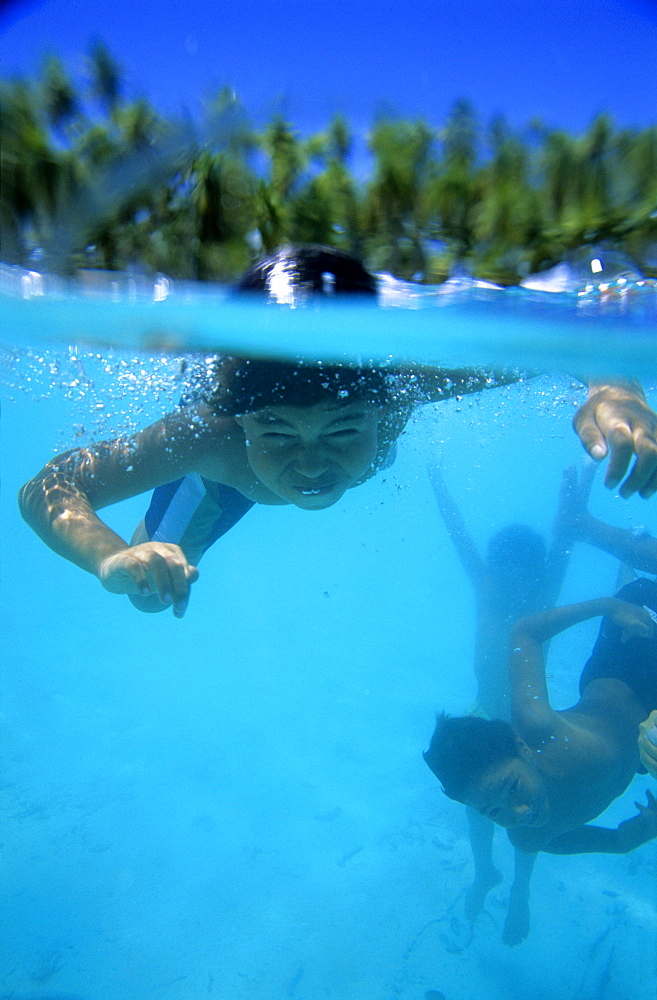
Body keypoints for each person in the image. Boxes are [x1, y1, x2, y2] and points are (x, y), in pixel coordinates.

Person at [18, 245, 657, 618]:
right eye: (280, 436)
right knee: (150, 599)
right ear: (242, 420)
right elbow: (48, 485)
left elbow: (561, 339)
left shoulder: (406, 383)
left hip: (263, 449)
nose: (312, 466)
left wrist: (613, 389)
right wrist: (110, 556)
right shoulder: (206, 435)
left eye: (344, 429)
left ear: (381, 410)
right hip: (217, 480)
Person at [423, 578, 657, 946]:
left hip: (633, 659)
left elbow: (526, 631)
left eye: (513, 787)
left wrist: (608, 607)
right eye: (494, 813)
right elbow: (612, 841)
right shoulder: (529, 834)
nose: (518, 812)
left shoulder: (539, 728)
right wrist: (639, 832)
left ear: (522, 748)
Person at [426, 462, 592, 926]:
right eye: (502, 572)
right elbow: (458, 532)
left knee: (529, 816)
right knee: (480, 803)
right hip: (482, 714)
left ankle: (521, 891)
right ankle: (485, 874)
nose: (509, 583)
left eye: (521, 575)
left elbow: (563, 545)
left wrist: (583, 486)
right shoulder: (485, 586)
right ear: (494, 569)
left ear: (535, 574)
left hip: (527, 723)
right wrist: (439, 484)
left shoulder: (543, 596)